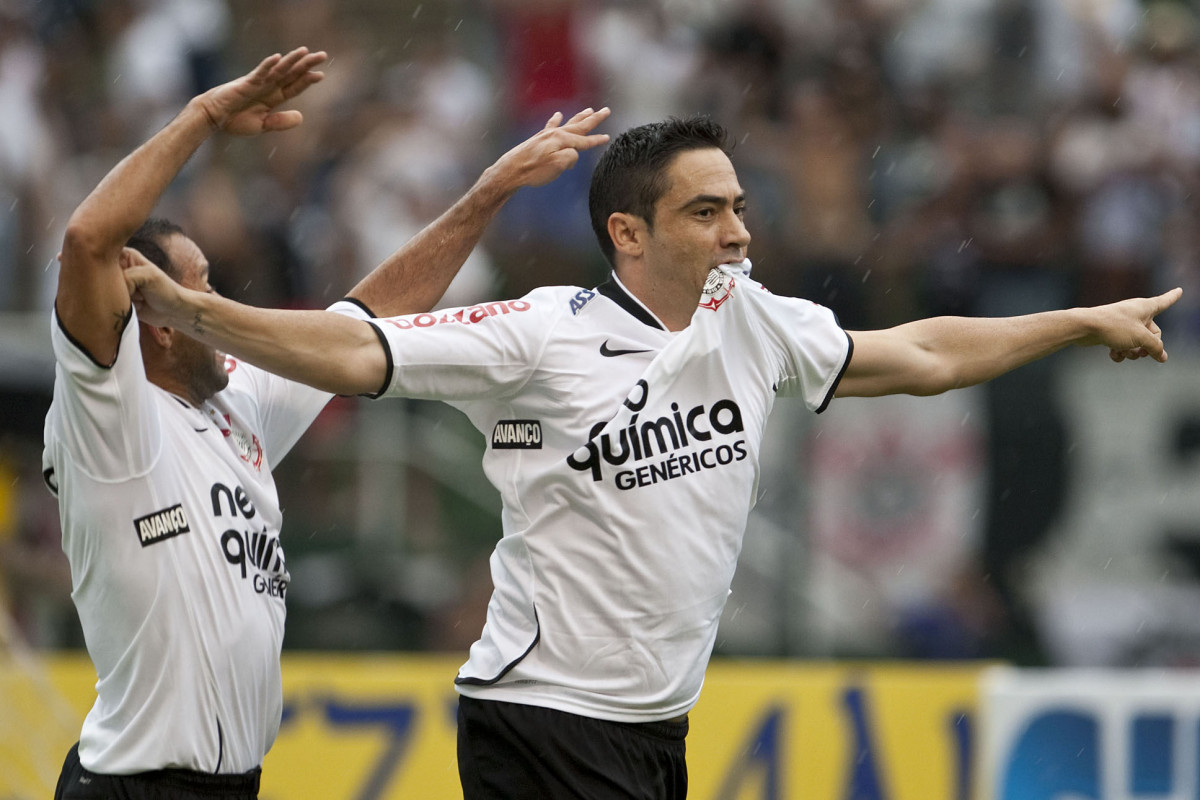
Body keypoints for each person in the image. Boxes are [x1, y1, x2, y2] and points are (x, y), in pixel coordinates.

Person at [125, 114, 1182, 799]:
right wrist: (201, 313)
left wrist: (1081, 318)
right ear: (629, 234)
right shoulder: (541, 332)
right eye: (706, 210)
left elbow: (923, 351)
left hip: (652, 729)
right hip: (542, 720)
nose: (736, 231)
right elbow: (355, 347)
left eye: (738, 207)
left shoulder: (751, 321)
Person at [44, 43, 609, 800]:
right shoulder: (107, 415)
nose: (215, 301)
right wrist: (204, 115)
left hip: (229, 785)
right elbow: (87, 240)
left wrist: (490, 190)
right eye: (200, 286)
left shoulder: (236, 405)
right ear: (155, 316)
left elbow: (369, 317)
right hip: (134, 784)